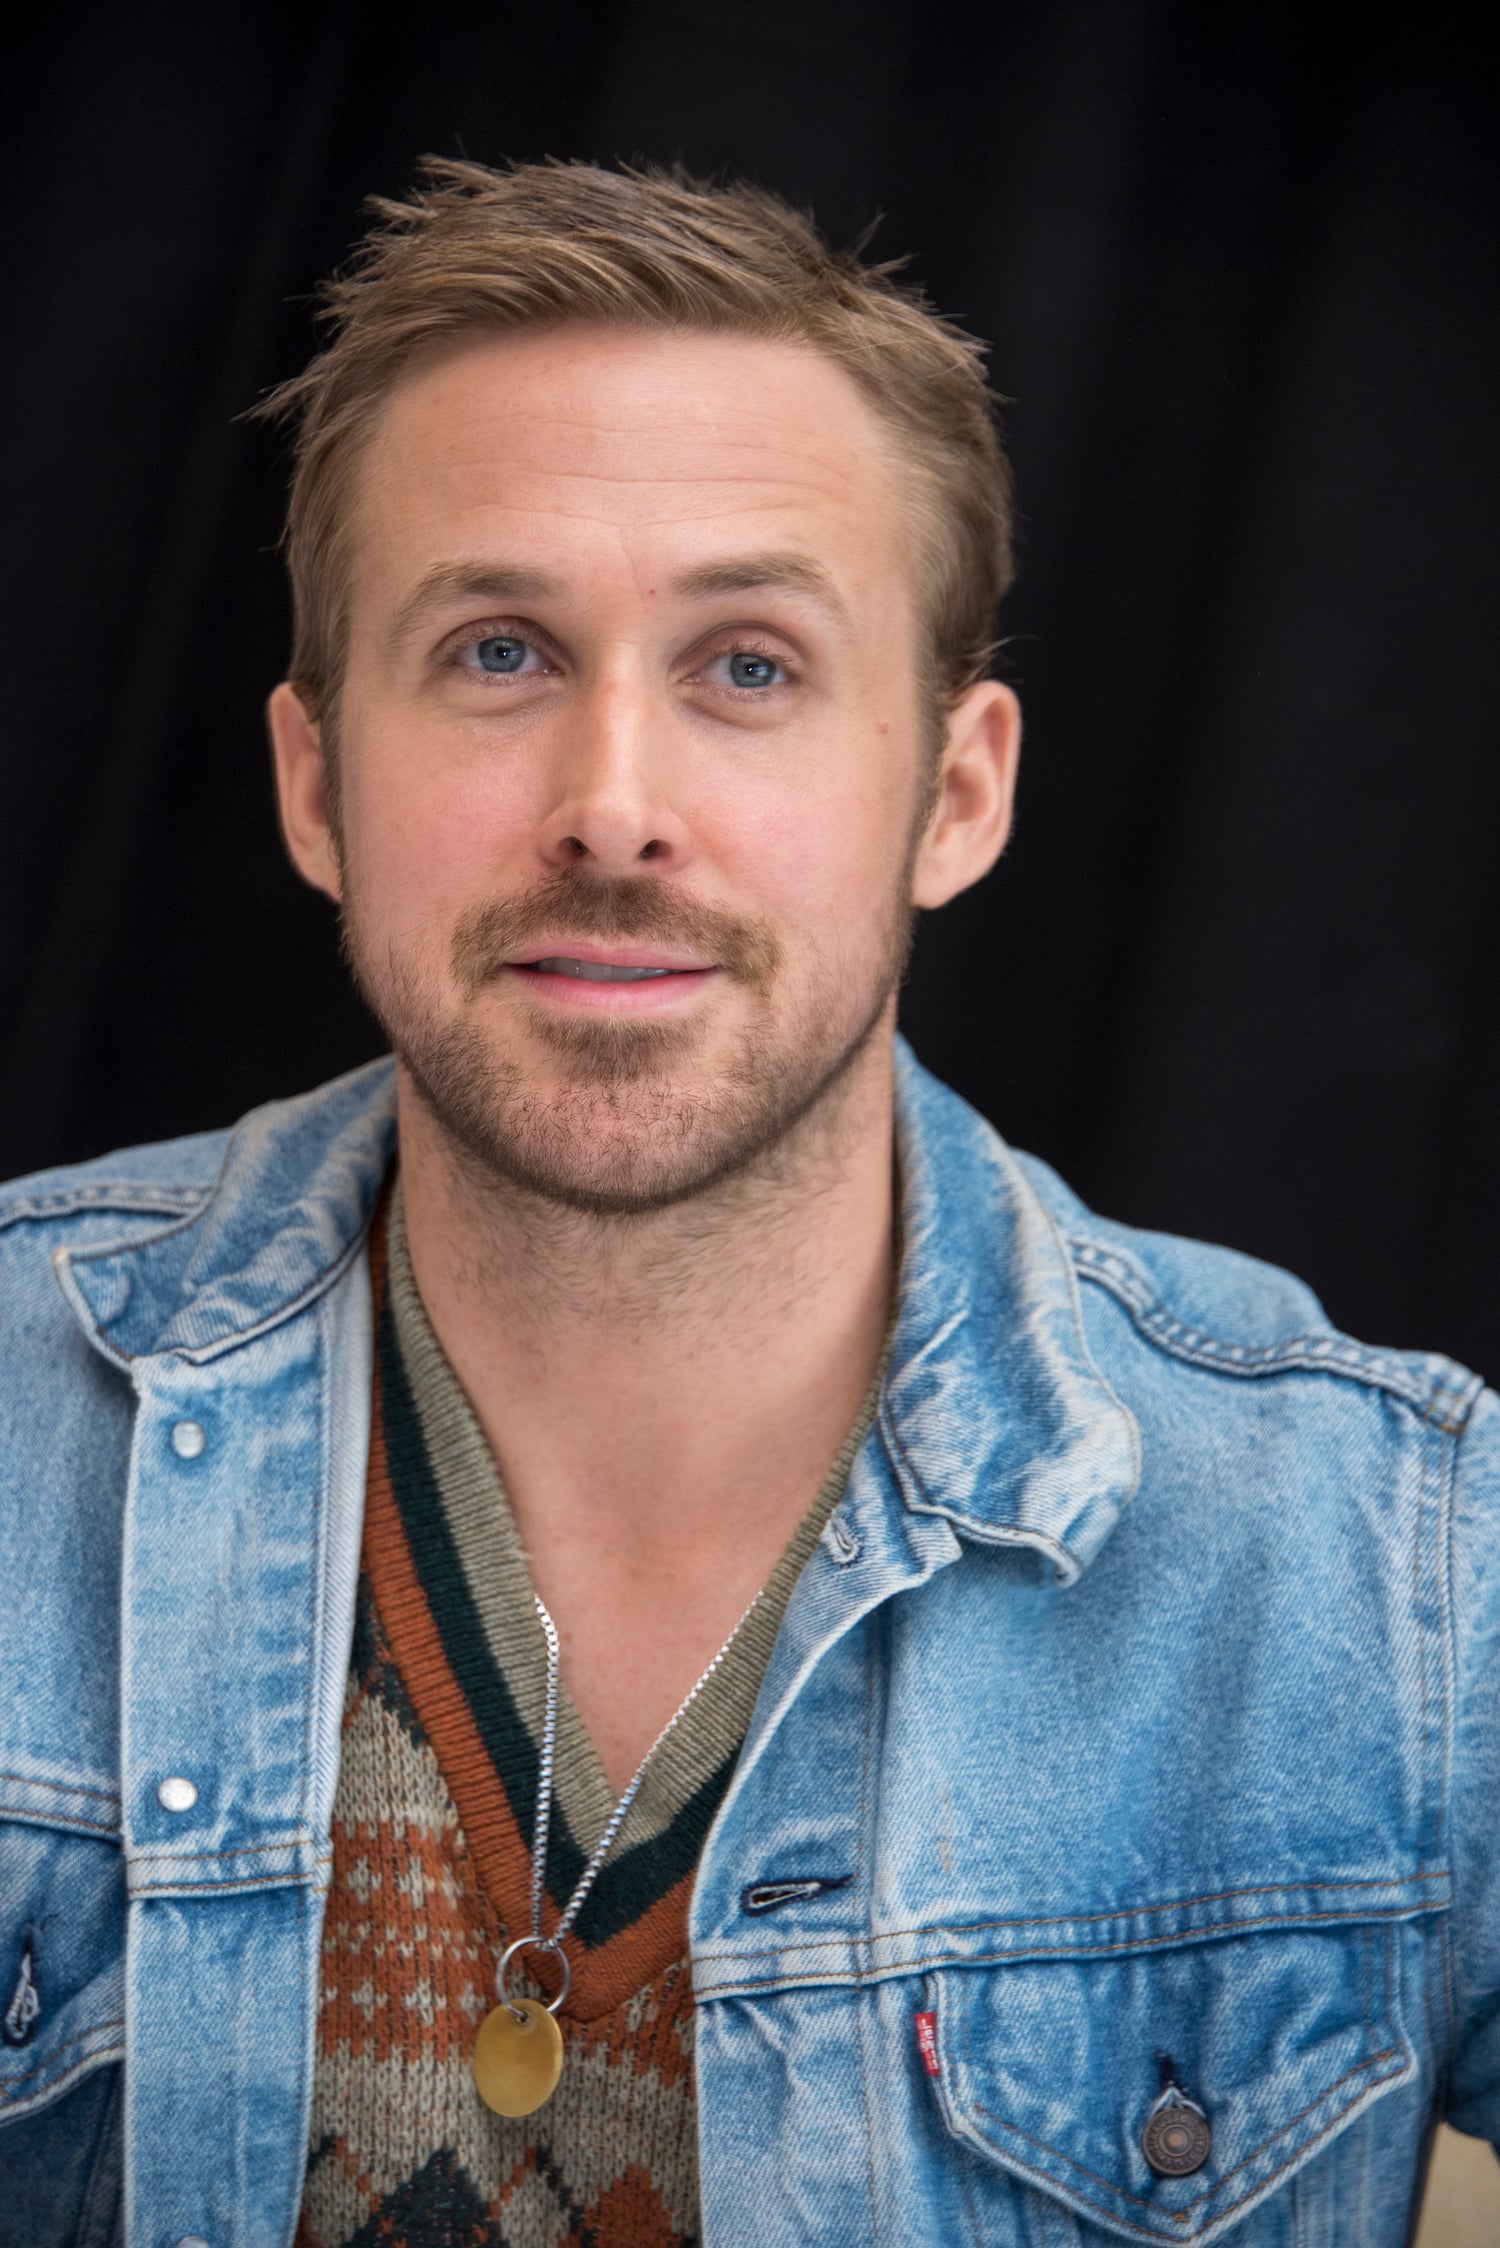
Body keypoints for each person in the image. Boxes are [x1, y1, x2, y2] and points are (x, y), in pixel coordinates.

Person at [0, 156, 1496, 2248]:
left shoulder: (1400, 1563)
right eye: (500, 650)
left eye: (751, 667)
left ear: (954, 792)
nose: (614, 806)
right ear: (316, 784)